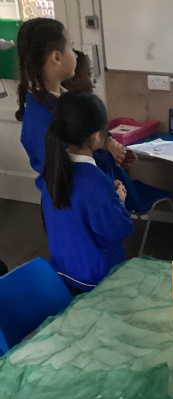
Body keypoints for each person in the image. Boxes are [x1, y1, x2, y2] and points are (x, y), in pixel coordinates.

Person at [15, 19, 125, 190]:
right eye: (71, 48)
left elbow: (88, 137)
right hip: (80, 199)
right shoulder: (42, 118)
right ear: (57, 57)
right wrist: (109, 157)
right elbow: (75, 172)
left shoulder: (65, 99)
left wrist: (108, 143)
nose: (75, 55)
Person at [42, 91, 134, 295]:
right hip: (96, 279)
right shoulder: (95, 181)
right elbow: (118, 229)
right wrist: (119, 201)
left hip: (64, 271)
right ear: (97, 136)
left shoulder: (53, 170)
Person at [61, 50, 138, 177]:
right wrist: (112, 155)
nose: (94, 81)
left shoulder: (85, 109)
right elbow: (94, 161)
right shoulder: (71, 117)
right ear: (74, 79)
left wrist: (118, 153)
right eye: (90, 74)